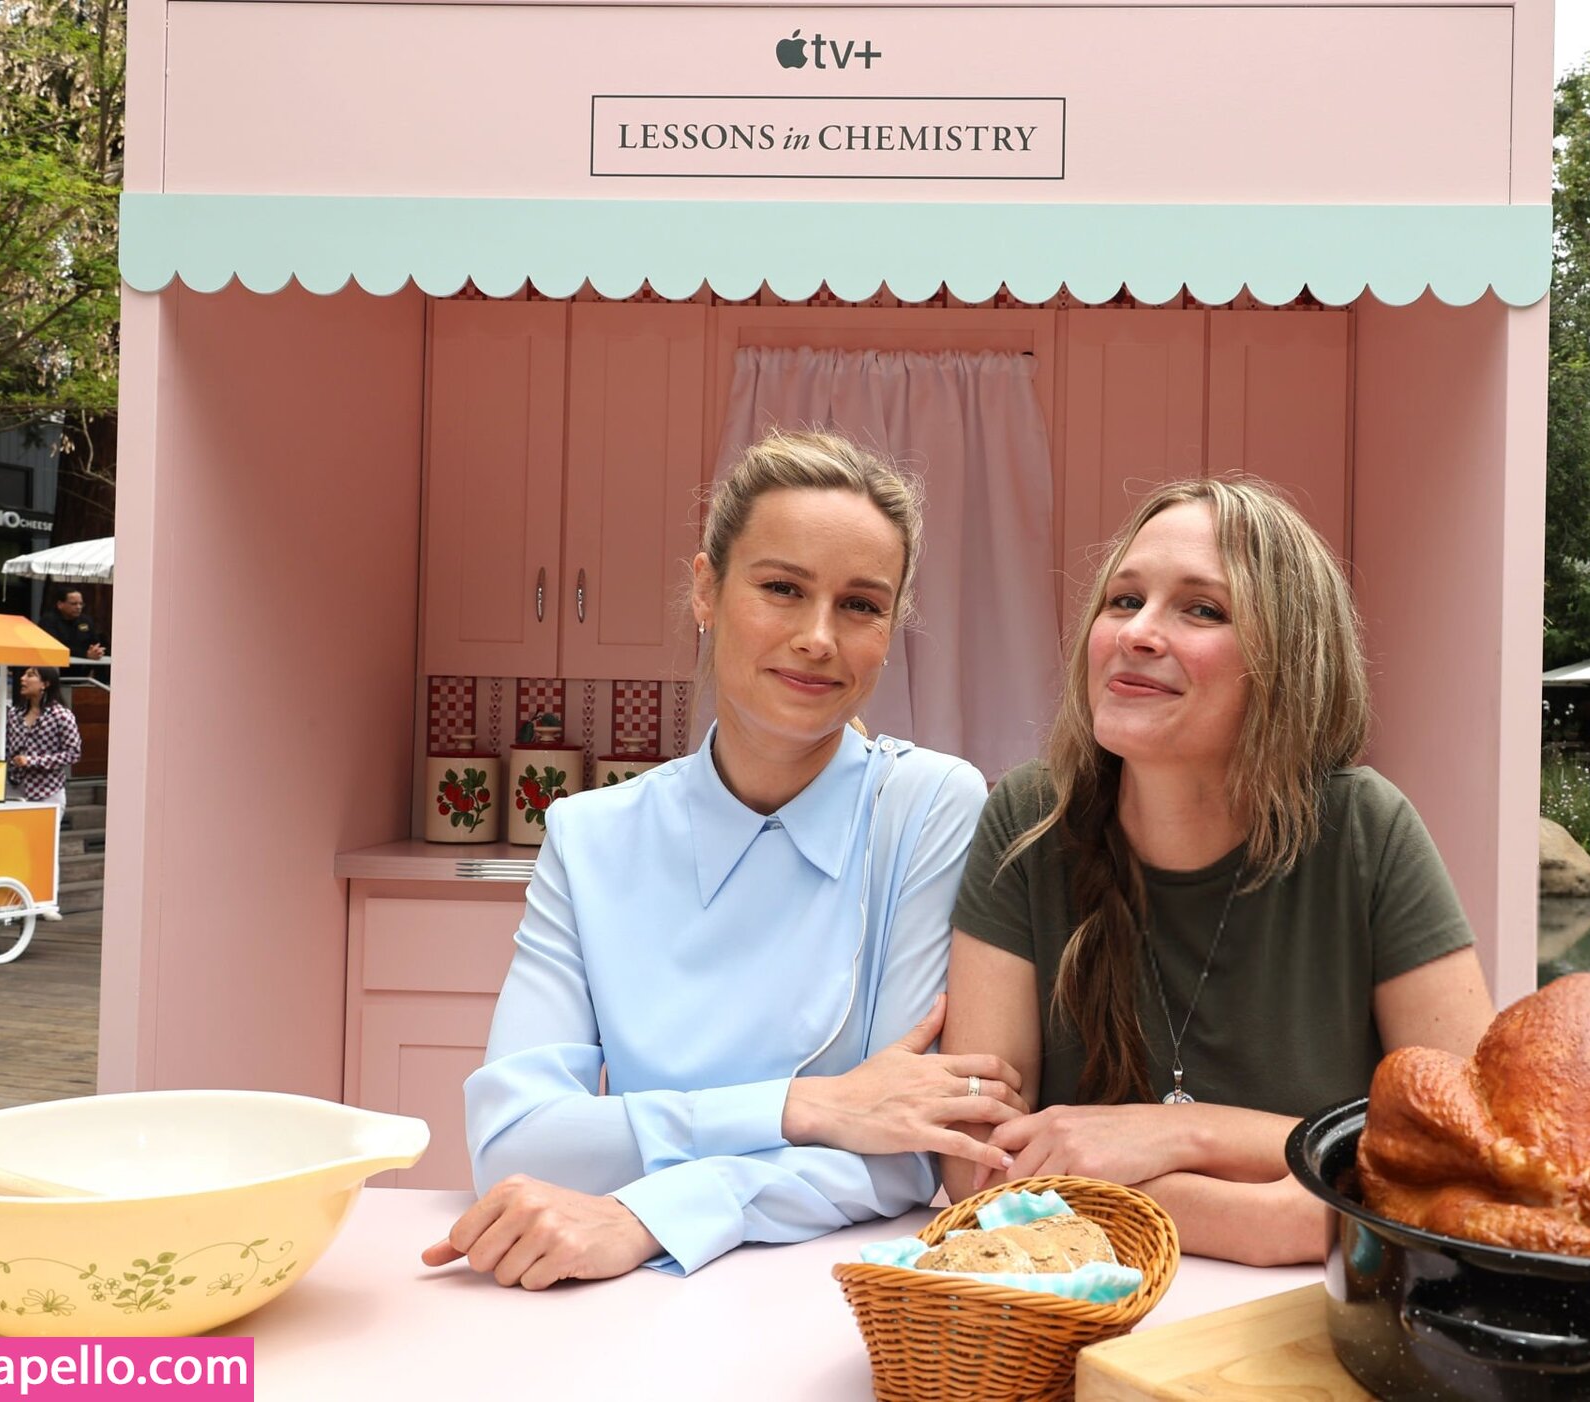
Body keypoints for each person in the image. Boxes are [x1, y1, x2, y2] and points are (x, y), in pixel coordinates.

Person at [422, 431, 1020, 1290]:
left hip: (829, 1287)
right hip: (614, 1295)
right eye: (782, 589)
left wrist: (648, 1215)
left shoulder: (927, 807)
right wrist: (806, 1106)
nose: (818, 637)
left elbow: (904, 1150)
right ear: (706, 589)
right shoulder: (589, 837)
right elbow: (517, 1143)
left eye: (860, 604)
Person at [940, 477, 1495, 1267]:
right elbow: (976, 1165)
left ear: (1288, 661)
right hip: (1086, 1312)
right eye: (1124, 600)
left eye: (1201, 609)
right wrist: (1293, 1208)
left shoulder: (1366, 830)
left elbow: (1467, 1155)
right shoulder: (1030, 818)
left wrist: (1181, 1134)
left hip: (1304, 1320)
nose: (1138, 633)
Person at [8, 666, 81, 824]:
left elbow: (73, 753)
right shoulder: (14, 713)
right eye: (24, 674)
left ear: (45, 684)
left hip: (47, 792)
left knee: (42, 839)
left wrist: (32, 761)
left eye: (30, 675)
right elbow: (8, 749)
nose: (22, 678)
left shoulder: (61, 715)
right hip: (14, 791)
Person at [37, 587, 107, 684]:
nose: (78, 607)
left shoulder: (85, 620)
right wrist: (85, 654)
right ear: (60, 604)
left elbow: (95, 641)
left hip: (82, 672)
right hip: (56, 673)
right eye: (74, 604)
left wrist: (97, 650)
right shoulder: (48, 621)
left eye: (81, 604)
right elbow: (56, 647)